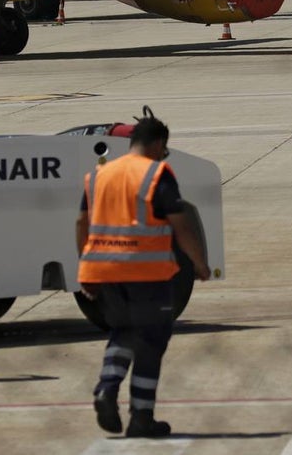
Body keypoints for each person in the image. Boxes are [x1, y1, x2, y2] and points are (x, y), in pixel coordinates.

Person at [76, 111, 210, 438]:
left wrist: (86, 265)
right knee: (151, 342)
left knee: (122, 332)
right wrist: (199, 262)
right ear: (158, 144)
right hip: (146, 272)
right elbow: (180, 223)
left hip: (105, 271)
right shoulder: (156, 173)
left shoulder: (99, 175)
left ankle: (107, 387)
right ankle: (141, 417)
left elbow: (81, 223)